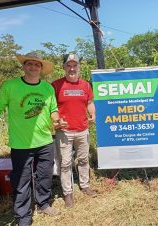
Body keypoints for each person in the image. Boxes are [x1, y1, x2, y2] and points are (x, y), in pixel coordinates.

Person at [0, 52, 64, 226]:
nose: (33, 67)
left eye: (37, 65)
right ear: (24, 66)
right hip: (21, 144)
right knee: (21, 180)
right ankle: (23, 216)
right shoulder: (10, 86)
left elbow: (53, 109)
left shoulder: (47, 88)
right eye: (30, 64)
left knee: (45, 175)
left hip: (45, 141)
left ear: (41, 69)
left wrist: (57, 120)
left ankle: (44, 204)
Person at [52, 52, 97, 208]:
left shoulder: (85, 85)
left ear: (79, 67)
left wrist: (93, 113)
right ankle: (68, 193)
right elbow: (51, 108)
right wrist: (56, 122)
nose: (72, 69)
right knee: (65, 163)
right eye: (69, 66)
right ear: (64, 67)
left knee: (84, 159)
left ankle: (85, 186)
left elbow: (89, 102)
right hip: (64, 132)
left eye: (75, 65)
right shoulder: (56, 85)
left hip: (82, 129)